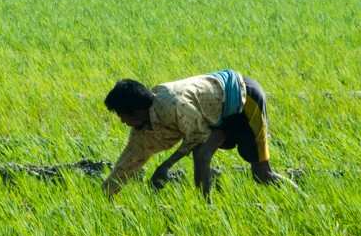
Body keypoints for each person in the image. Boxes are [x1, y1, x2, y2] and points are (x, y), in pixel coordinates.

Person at [102, 69, 295, 197]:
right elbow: (130, 159)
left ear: (135, 111)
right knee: (201, 157)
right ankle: (205, 208)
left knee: (261, 174)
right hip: (215, 115)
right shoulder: (143, 125)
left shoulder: (173, 104)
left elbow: (197, 136)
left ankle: (298, 195)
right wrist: (106, 194)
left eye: (121, 115)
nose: (122, 121)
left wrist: (165, 166)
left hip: (242, 98)